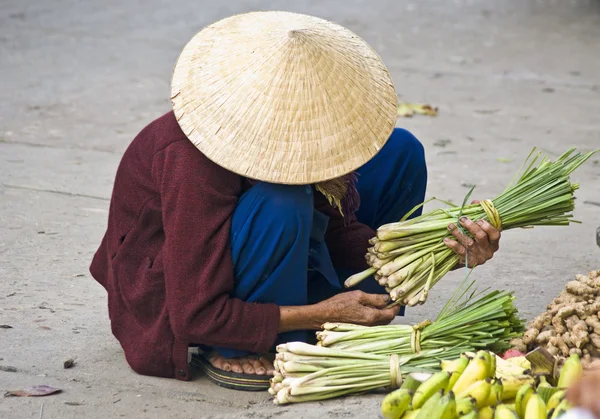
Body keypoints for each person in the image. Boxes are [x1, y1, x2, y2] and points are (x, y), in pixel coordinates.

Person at [90, 11, 501, 391]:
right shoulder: (189, 161)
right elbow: (193, 313)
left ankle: (365, 306)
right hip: (189, 296)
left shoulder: (306, 135)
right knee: (283, 200)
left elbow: (336, 226)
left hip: (271, 241)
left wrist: (435, 249)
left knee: (398, 150)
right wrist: (325, 313)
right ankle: (246, 343)